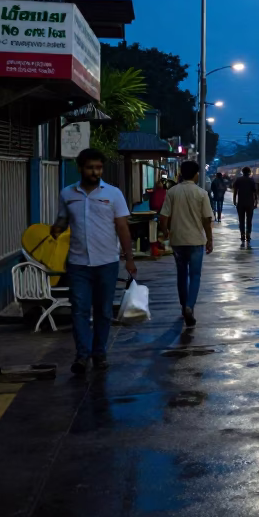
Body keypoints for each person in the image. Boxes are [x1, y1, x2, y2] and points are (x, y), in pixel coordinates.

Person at [49, 147, 138, 375]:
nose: (95, 172)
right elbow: (63, 218)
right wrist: (57, 228)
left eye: (98, 168)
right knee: (78, 310)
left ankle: (99, 353)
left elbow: (122, 228)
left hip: (106, 262)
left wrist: (129, 259)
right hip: (78, 263)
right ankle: (82, 355)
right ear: (80, 168)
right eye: (90, 167)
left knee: (103, 311)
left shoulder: (113, 194)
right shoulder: (67, 194)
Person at [159, 160, 214, 327]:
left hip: (178, 240)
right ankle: (190, 306)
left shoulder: (172, 192)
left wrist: (165, 232)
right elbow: (207, 219)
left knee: (181, 275)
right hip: (196, 241)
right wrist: (210, 239)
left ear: (181, 173)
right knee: (195, 275)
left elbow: (163, 217)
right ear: (196, 174)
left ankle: (184, 307)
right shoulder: (201, 193)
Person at [232, 166, 259, 246]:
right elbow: (255, 192)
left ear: (242, 172)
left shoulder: (238, 180)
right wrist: (256, 202)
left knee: (241, 220)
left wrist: (234, 200)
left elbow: (235, 191)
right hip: (250, 203)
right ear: (249, 172)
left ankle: (242, 235)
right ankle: (248, 234)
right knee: (249, 220)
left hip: (241, 203)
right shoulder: (251, 180)